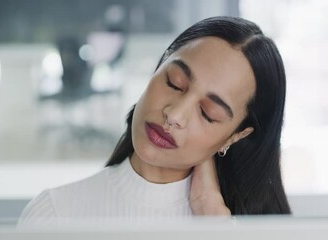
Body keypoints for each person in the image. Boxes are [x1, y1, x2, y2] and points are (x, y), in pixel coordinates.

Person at [18, 16, 290, 226]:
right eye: (174, 83)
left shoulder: (244, 229)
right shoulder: (54, 215)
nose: (174, 115)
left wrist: (214, 223)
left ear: (235, 136)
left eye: (207, 113)